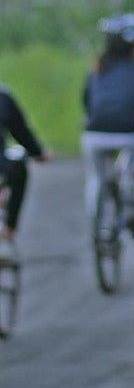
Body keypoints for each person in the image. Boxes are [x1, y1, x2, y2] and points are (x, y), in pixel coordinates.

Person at [81, 11, 134, 224]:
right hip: (127, 135)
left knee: (96, 177)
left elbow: (87, 101)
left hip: (94, 134)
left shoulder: (96, 70)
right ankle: (133, 187)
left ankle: (96, 216)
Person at [0, 86, 52, 264]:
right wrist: (38, 153)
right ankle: (8, 230)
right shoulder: (3, 97)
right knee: (18, 167)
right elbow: (21, 132)